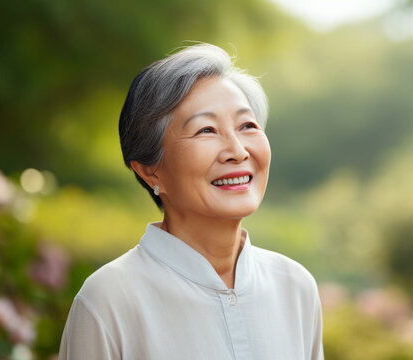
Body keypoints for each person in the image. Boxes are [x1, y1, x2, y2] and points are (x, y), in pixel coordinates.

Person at [58, 43, 324, 360]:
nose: (238, 151)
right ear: (149, 171)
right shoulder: (109, 299)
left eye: (247, 125)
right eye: (206, 130)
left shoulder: (294, 287)